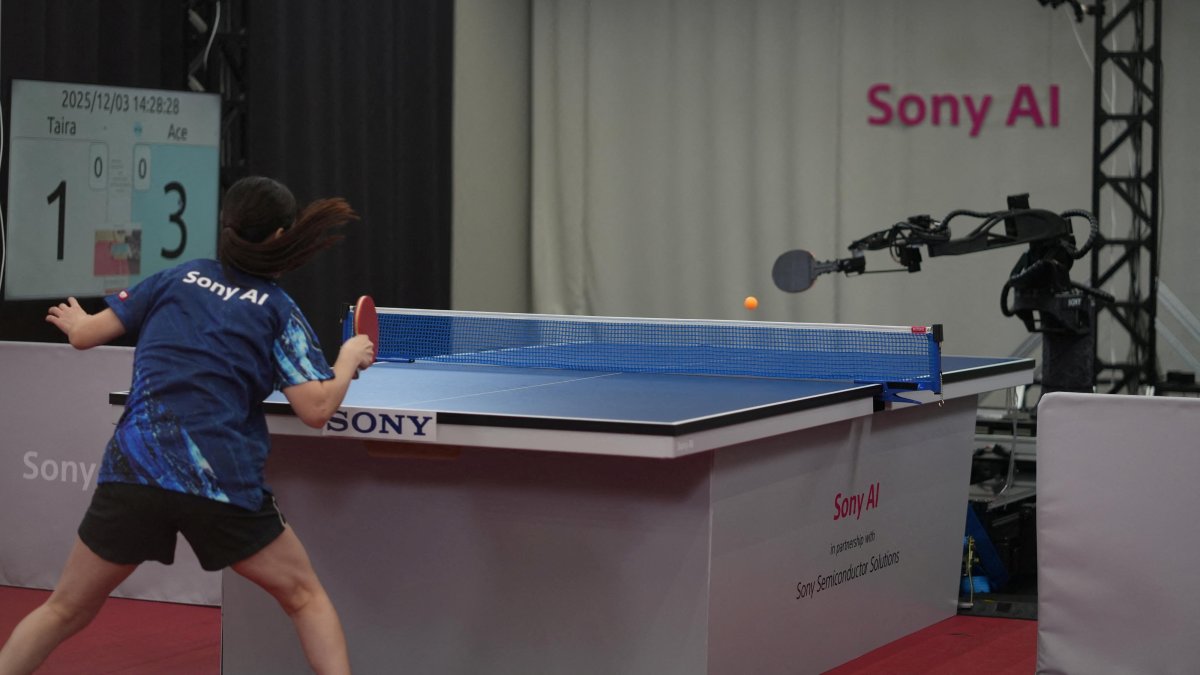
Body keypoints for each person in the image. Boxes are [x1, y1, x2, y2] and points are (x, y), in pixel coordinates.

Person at [0, 176, 373, 675]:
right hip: (218, 482)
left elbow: (87, 335)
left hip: (134, 472)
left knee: (64, 609)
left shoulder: (176, 277)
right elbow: (316, 408)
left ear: (227, 227)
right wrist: (348, 358)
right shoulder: (279, 311)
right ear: (281, 237)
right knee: (305, 598)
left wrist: (74, 321)